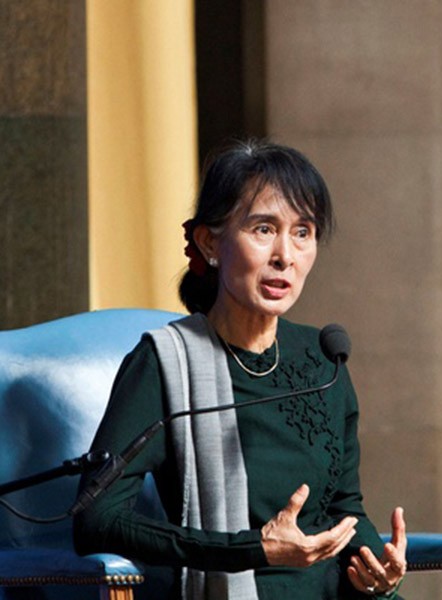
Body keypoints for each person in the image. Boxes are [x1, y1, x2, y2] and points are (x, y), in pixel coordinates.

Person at [73, 140, 406, 600]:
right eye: (263, 229)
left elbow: (344, 508)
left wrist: (378, 569)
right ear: (210, 242)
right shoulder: (165, 363)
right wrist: (253, 549)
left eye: (302, 232)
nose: (284, 256)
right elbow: (96, 521)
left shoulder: (324, 358)